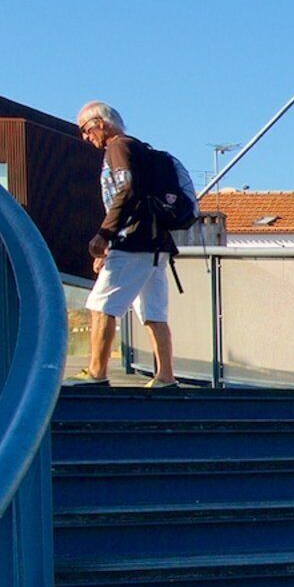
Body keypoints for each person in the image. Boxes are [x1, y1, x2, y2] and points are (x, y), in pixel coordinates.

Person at [76, 101, 196, 387]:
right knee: (153, 312)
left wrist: (105, 235)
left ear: (100, 124)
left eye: (85, 129)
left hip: (134, 240)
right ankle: (165, 377)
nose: (85, 137)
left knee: (101, 305)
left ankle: (96, 373)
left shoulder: (118, 147)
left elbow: (127, 188)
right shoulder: (142, 148)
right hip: (156, 244)